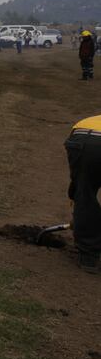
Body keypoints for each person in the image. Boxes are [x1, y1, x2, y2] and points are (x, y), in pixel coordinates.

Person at [64, 117, 101, 273]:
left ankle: (89, 257)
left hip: (80, 137)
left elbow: (76, 184)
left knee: (84, 191)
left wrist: (76, 211)